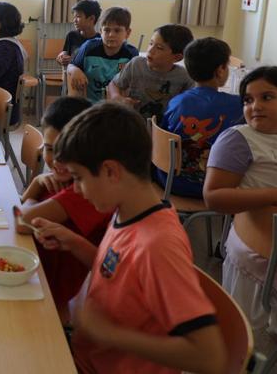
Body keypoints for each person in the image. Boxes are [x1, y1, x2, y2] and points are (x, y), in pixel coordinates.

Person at [31, 103, 227, 374]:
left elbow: (210, 357)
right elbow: (117, 272)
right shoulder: (127, 211)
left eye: (79, 178)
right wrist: (73, 242)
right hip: (85, 353)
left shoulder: (158, 246)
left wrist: (109, 334)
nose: (75, 189)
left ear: (111, 171)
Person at [204, 66, 277, 341]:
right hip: (268, 240)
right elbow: (214, 196)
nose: (255, 106)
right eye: (248, 100)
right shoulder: (238, 139)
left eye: (267, 97)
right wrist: (276, 196)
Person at [15, 97, 109, 324]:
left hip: (48, 291)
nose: (58, 159)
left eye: (68, 151)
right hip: (34, 271)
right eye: (50, 149)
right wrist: (37, 184)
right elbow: (21, 210)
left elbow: (21, 220)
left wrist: (36, 185)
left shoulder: (83, 192)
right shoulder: (64, 181)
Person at [157, 38, 243, 198]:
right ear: (220, 70)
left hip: (169, 181)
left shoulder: (176, 101)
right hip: (214, 189)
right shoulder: (238, 105)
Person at [108, 24, 194, 119]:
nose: (150, 50)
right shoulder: (136, 64)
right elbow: (114, 84)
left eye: (159, 48)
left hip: (164, 127)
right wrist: (117, 97)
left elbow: (190, 103)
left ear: (177, 57)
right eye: (151, 43)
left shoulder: (184, 76)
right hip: (133, 122)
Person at [66, 6, 138, 103]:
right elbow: (70, 66)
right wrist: (74, 69)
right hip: (90, 107)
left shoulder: (131, 54)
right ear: (100, 31)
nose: (111, 34)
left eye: (117, 30)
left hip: (117, 107)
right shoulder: (89, 47)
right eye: (107, 30)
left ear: (127, 33)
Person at [55, 0, 102, 67]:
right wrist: (61, 57)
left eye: (78, 16)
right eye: (74, 17)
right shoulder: (71, 35)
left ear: (91, 18)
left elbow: (98, 64)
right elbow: (65, 52)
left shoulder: (100, 40)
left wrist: (73, 60)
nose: (74, 20)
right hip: (72, 76)